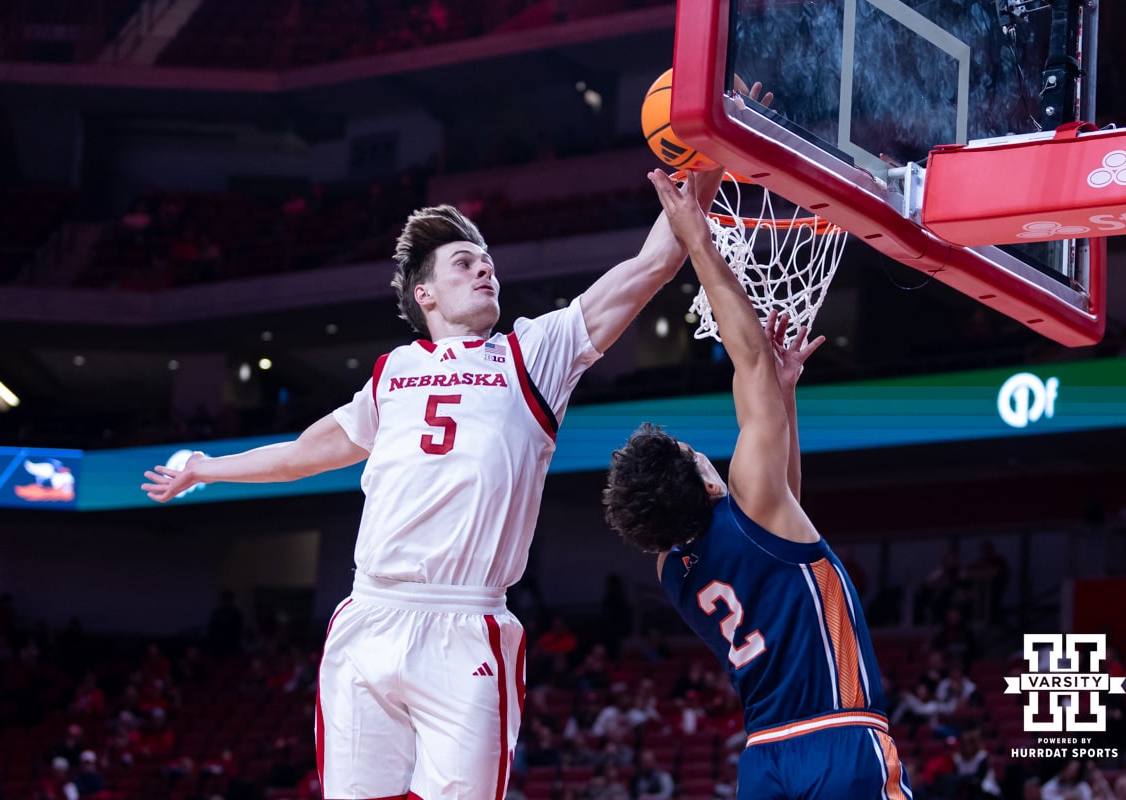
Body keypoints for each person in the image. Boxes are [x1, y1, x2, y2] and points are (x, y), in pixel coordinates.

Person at [141, 168, 724, 799]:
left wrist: (712, 155)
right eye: (466, 263)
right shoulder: (392, 372)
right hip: (368, 615)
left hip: (464, 623)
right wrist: (204, 469)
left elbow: (650, 266)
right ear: (425, 295)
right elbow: (305, 453)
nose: (485, 271)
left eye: (489, 263)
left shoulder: (534, 353)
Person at [602, 168, 913, 800]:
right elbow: (746, 357)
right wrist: (696, 239)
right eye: (696, 454)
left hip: (765, 760)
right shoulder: (748, 504)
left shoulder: (675, 569)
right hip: (841, 737)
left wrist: (785, 398)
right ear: (704, 482)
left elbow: (786, 509)